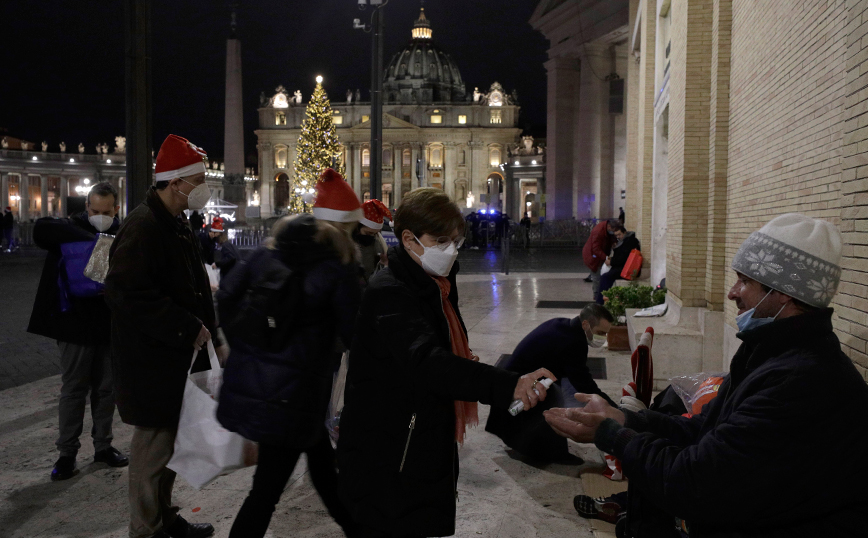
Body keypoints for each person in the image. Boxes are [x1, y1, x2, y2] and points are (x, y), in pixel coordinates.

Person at [544, 213, 868, 537]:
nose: (732, 292)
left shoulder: (803, 383)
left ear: (783, 292)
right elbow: (706, 428)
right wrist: (629, 420)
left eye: (745, 280)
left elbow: (694, 482)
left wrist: (612, 435)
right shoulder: (767, 353)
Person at [337, 187, 555, 538]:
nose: (451, 249)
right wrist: (507, 384)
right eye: (440, 239)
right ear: (408, 239)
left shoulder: (435, 285)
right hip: (388, 452)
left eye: (455, 239)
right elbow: (428, 362)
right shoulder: (389, 290)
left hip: (417, 436)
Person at [217, 168, 363, 538]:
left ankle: (360, 531)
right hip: (295, 396)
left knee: (323, 472)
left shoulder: (268, 252)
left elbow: (227, 296)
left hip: (271, 387)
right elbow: (355, 334)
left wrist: (253, 343)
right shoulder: (339, 269)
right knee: (266, 491)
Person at [105, 134, 226, 538]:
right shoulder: (143, 226)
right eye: (199, 179)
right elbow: (127, 295)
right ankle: (146, 529)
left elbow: (191, 285)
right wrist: (187, 326)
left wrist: (212, 332)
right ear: (176, 183)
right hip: (151, 362)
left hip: (173, 359)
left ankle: (165, 518)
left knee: (171, 448)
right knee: (152, 452)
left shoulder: (173, 222)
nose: (204, 187)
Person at [27, 181, 127, 481]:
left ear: (116, 209)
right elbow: (41, 231)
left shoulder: (122, 233)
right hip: (74, 326)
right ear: (86, 207)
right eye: (94, 210)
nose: (100, 215)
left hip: (108, 325)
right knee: (73, 391)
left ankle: (103, 447)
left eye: (106, 211)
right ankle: (66, 453)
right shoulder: (68, 228)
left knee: (106, 390)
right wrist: (94, 240)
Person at [485, 304, 615, 462]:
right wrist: (613, 408)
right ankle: (551, 454)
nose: (603, 339)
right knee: (554, 401)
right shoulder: (573, 341)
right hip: (519, 386)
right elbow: (584, 384)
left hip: (514, 379)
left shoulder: (563, 324)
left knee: (556, 391)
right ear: (586, 325)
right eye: (601, 333)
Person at [596, 224, 641, 305]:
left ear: (625, 232)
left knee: (605, 277)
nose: (618, 237)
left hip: (626, 269)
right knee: (606, 277)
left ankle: (600, 302)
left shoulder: (630, 241)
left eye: (619, 234)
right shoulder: (626, 240)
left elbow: (623, 258)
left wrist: (611, 261)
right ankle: (601, 300)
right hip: (622, 267)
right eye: (616, 235)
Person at [354, 198, 391, 281]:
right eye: (368, 233)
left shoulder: (378, 243)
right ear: (358, 227)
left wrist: (383, 264)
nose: (372, 236)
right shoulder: (346, 244)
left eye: (375, 234)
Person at [582, 219, 618, 304]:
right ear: (609, 226)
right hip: (593, 256)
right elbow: (595, 249)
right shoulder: (598, 231)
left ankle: (601, 294)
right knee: (596, 276)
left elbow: (610, 238)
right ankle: (597, 295)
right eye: (613, 230)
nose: (614, 233)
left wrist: (614, 242)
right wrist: (606, 258)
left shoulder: (606, 229)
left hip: (600, 254)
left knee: (601, 275)